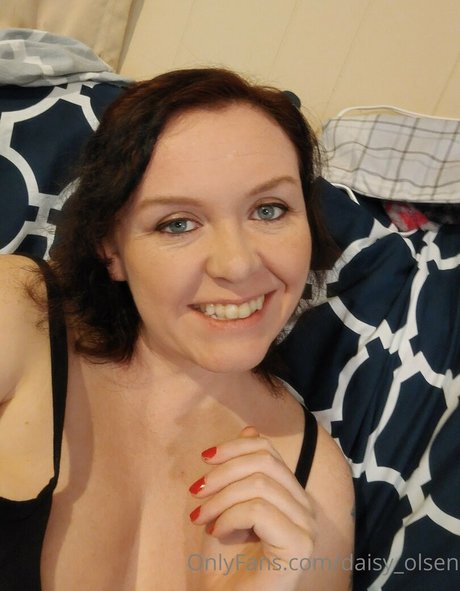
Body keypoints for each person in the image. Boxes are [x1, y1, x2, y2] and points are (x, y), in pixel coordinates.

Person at [0, 68, 354, 590]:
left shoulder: (316, 480)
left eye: (269, 209)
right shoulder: (16, 311)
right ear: (110, 248)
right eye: (178, 223)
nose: (237, 264)